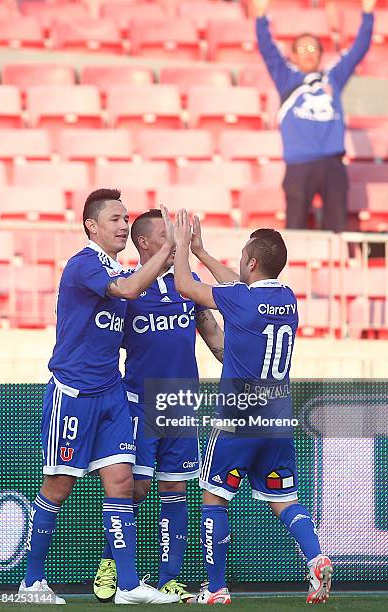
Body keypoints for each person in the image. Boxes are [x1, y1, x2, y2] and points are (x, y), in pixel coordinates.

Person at [19, 190, 179, 605]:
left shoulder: (121, 269)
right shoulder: (84, 264)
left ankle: (127, 586)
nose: (124, 225)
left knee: (123, 482)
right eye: (115, 218)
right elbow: (126, 291)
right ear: (91, 225)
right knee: (58, 486)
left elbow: (130, 324)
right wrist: (168, 251)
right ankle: (31, 582)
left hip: (111, 394)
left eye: (126, 218)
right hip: (73, 392)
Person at [173, 212, 333, 605]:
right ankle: (315, 558)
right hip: (277, 419)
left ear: (253, 262)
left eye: (243, 256)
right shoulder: (287, 299)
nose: (239, 262)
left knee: (215, 498)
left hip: (237, 417)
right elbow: (235, 284)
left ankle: (215, 589)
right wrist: (203, 252)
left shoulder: (240, 298)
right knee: (285, 499)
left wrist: (181, 246)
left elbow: (184, 285)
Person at [94, 209, 224, 603]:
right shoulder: (129, 290)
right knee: (134, 487)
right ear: (146, 244)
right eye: (167, 236)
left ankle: (169, 577)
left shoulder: (189, 284)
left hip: (182, 403)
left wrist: (242, 365)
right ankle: (111, 564)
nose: (176, 241)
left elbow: (212, 333)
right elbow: (101, 345)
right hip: (138, 403)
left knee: (174, 486)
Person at [252, 0, 376, 232]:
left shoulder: (334, 78)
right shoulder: (286, 77)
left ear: (320, 53)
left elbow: (359, 50)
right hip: (299, 165)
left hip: (333, 163)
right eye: (302, 49)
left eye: (313, 49)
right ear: (293, 55)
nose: (308, 54)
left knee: (337, 228)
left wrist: (368, 13)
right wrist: (260, 17)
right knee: (295, 227)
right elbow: (267, 48)